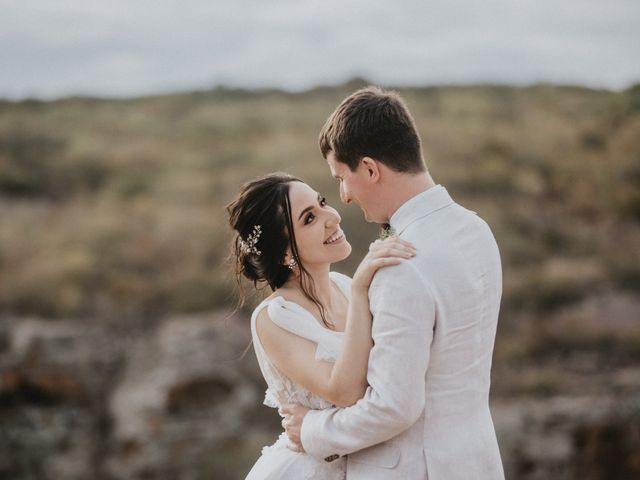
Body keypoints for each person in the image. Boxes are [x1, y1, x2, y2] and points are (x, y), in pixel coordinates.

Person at [281, 86, 506, 479]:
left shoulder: (400, 261)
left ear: (370, 169)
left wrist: (313, 430)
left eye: (341, 178)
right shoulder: (476, 228)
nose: (344, 197)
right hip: (478, 461)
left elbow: (394, 407)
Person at [227, 172, 416, 479]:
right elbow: (343, 392)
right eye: (310, 218)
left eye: (322, 202)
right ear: (285, 251)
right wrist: (360, 291)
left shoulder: (343, 285)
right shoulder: (274, 316)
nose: (331, 217)